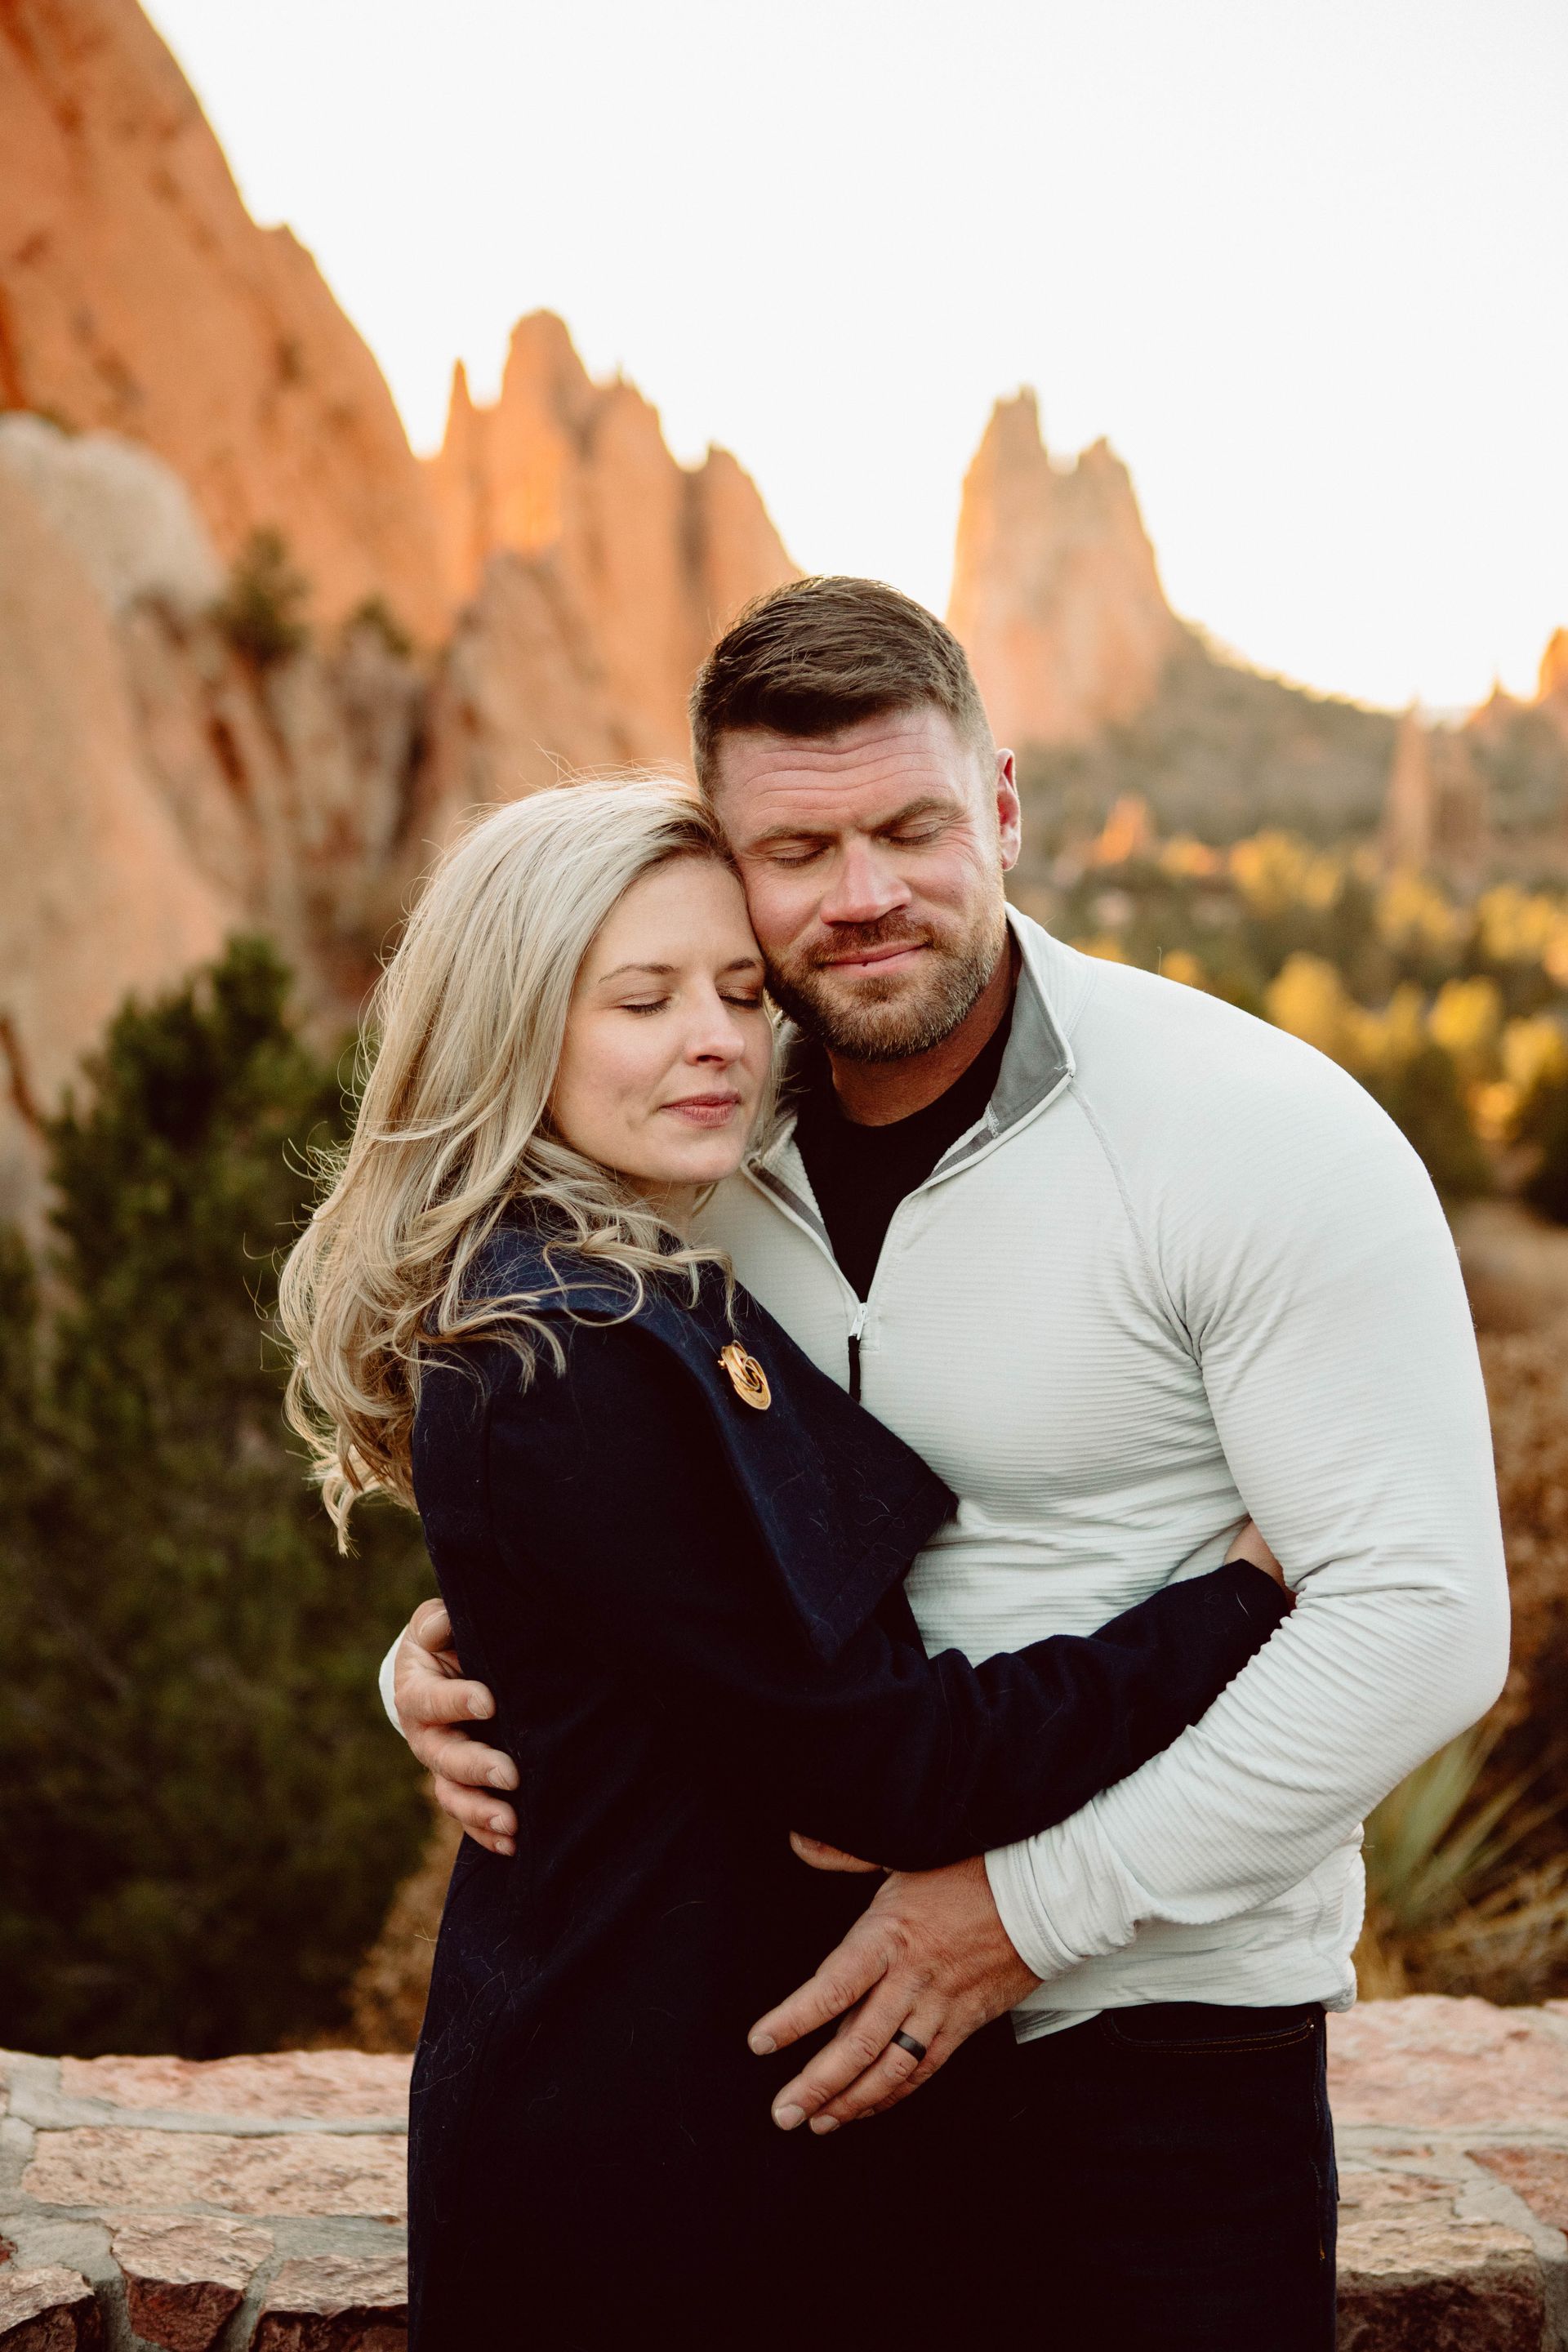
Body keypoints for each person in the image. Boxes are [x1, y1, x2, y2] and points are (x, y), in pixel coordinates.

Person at [386, 578, 1508, 2348]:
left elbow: (1427, 1621)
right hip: (818, 2064)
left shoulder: (1253, 1130)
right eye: (797, 849)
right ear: (729, 856)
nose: (862, 895)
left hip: (1158, 2042)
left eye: (911, 826)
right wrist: (464, 1650)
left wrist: (1012, 1916)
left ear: (1000, 803)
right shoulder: (696, 1130)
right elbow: (622, 1493)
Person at [282, 777, 1292, 2347]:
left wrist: (455, 1653)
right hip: (644, 2171)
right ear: (512, 1027)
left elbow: (649, 1634)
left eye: (745, 993)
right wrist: (1233, 1603)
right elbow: (896, 1770)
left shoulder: (621, 1275)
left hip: (690, 2113)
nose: (717, 1038)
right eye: (643, 997)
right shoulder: (574, 1346)